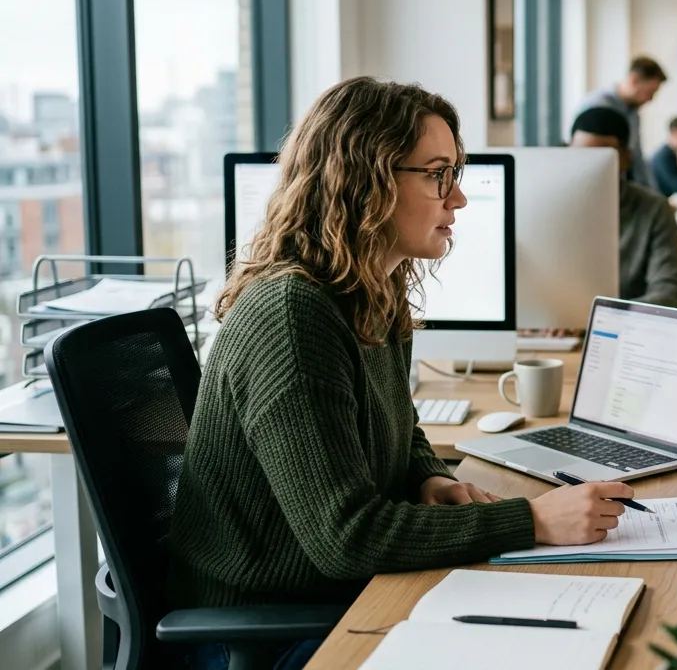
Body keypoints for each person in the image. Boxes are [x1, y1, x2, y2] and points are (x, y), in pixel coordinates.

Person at [168, 78, 636, 670]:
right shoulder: (291, 315)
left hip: (339, 598)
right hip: (266, 631)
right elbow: (346, 539)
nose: (458, 199)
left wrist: (426, 476)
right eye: (438, 174)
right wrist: (532, 519)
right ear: (366, 180)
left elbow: (401, 425)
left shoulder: (371, 288)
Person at [570, 106, 677, 309]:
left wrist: (594, 317)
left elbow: (670, 295)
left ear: (626, 158)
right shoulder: (549, 207)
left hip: (623, 333)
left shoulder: (654, 210)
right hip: (548, 334)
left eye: (601, 159)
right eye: (580, 156)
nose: (588, 168)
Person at [575, 56, 667, 191]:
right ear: (634, 80)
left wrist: (655, 196)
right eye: (650, 92)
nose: (651, 99)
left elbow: (637, 158)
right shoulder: (599, 106)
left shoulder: (634, 114)